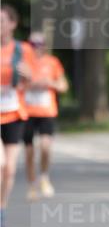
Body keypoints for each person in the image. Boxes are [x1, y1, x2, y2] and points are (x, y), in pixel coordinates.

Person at [0, 5, 36, 227]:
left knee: (10, 169)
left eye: (3, 20)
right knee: (0, 164)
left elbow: (31, 82)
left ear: (13, 23)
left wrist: (28, 76)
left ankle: (1, 210)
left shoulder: (22, 50)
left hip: (14, 112)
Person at [24, 31, 68, 200]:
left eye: (39, 45)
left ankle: (44, 176)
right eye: (32, 45)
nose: (36, 48)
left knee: (45, 146)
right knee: (28, 152)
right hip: (27, 112)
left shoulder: (52, 62)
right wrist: (30, 85)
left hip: (47, 111)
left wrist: (50, 83)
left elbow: (63, 86)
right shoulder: (23, 63)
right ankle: (31, 185)